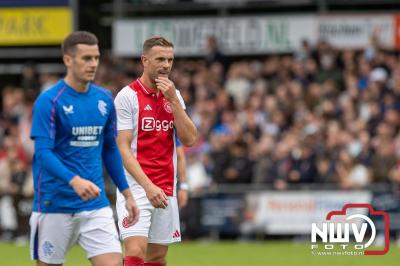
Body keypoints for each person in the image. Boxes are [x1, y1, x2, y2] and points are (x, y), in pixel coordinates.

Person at [29, 31, 139, 266]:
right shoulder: (49, 101)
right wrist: (74, 181)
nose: (93, 64)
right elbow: (43, 153)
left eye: (96, 58)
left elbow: (110, 149)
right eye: (86, 58)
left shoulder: (104, 99)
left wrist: (127, 193)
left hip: (95, 204)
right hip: (54, 203)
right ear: (68, 60)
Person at [114, 36, 197, 266]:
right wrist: (148, 186)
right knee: (135, 251)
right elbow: (123, 147)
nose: (166, 65)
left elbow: (189, 140)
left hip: (166, 187)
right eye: (160, 59)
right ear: (145, 60)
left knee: (157, 257)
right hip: (136, 186)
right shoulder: (127, 96)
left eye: (170, 60)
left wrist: (174, 101)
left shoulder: (175, 95)